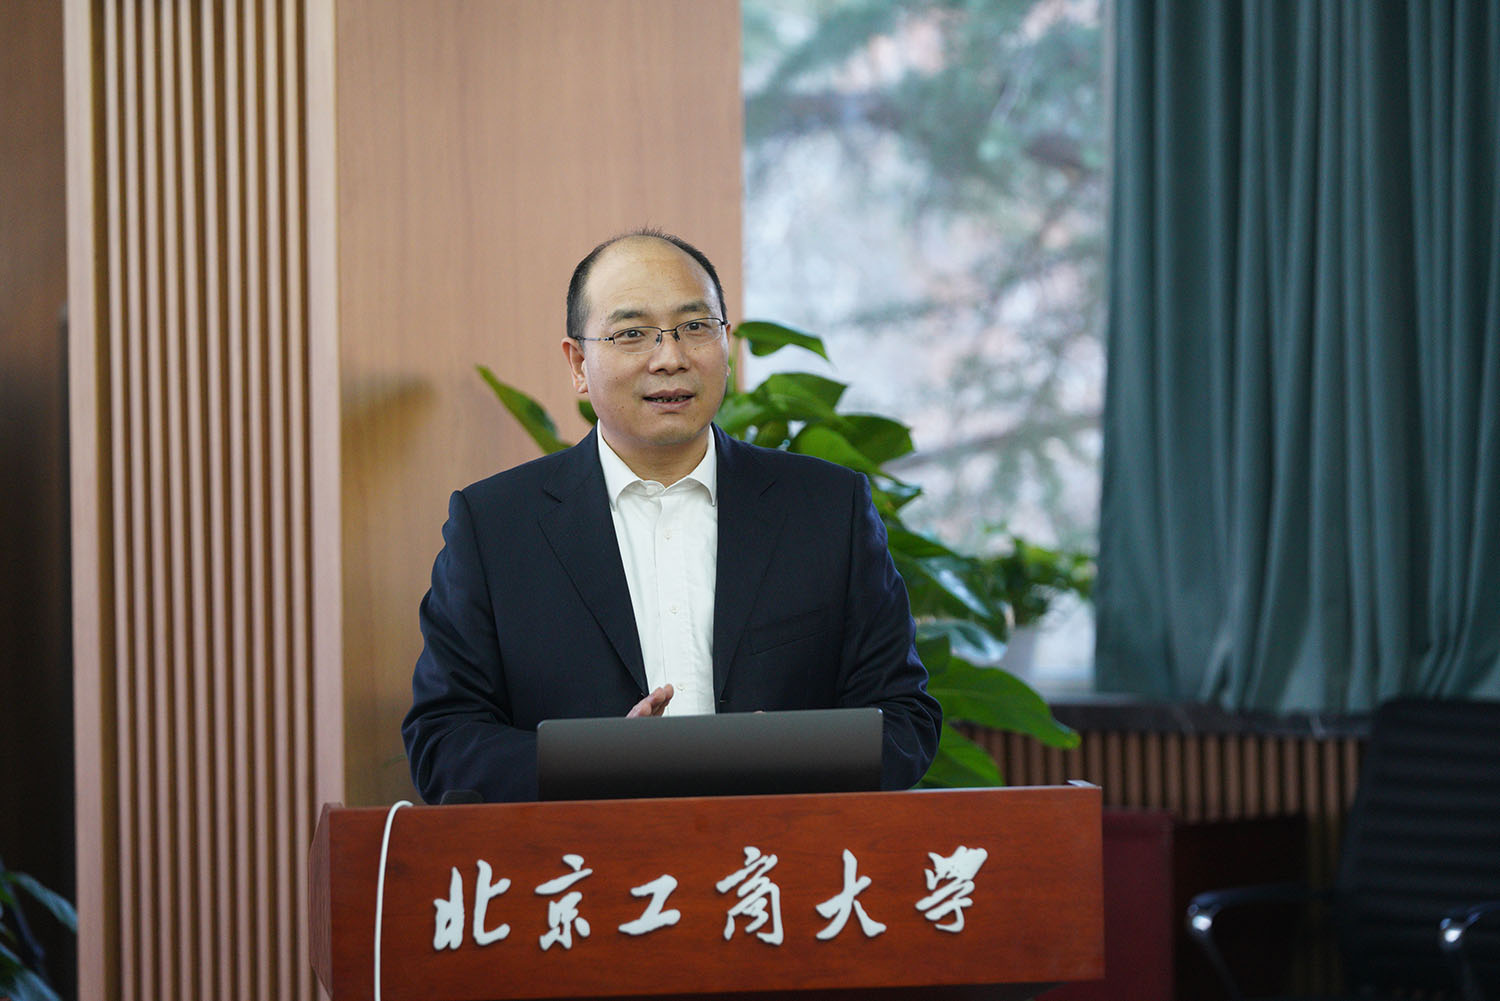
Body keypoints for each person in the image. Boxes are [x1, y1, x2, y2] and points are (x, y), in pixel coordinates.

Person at [401, 229, 940, 802]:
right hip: (585, 854)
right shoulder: (495, 527)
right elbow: (444, 743)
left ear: (726, 344)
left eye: (695, 327)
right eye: (632, 334)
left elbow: (904, 717)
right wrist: (602, 763)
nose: (671, 359)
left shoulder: (828, 509)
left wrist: (791, 753)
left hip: (778, 852)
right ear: (579, 363)